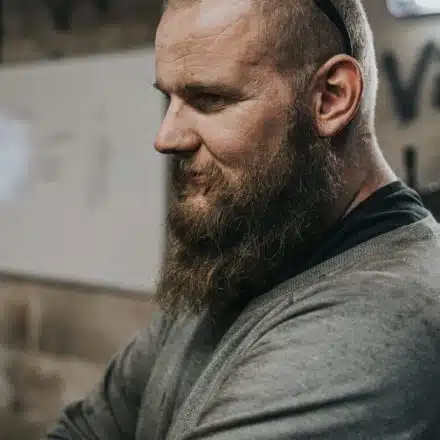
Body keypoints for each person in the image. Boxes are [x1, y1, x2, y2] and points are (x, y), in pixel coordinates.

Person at [45, 0, 440, 438]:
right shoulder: (243, 252)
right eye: (169, 99)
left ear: (331, 98)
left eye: (209, 99)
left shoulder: (383, 316)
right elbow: (85, 430)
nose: (165, 138)